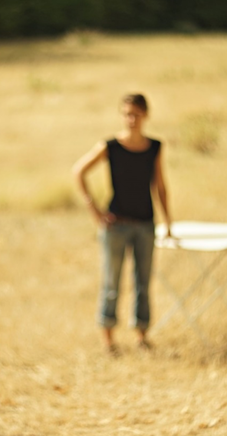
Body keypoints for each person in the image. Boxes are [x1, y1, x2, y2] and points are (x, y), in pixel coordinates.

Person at [72, 93, 172, 355]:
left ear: (145, 116)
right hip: (116, 225)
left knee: (143, 281)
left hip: (145, 224)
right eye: (127, 114)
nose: (131, 119)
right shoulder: (111, 146)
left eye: (136, 114)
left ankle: (141, 336)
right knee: (111, 282)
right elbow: (78, 171)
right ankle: (108, 341)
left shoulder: (154, 147)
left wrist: (168, 221)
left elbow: (160, 186)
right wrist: (93, 208)